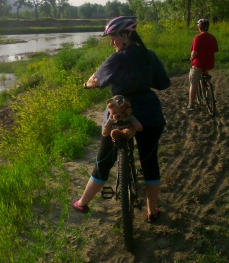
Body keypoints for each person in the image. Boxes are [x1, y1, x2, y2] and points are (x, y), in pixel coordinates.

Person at [73, 16, 171, 223]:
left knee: (103, 161)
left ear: (125, 36)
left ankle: (82, 203)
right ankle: (152, 211)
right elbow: (162, 83)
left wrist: (86, 85)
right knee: (149, 162)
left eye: (113, 38)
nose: (111, 42)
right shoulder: (150, 55)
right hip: (150, 115)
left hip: (118, 117)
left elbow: (95, 81)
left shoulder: (115, 59)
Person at [185, 18, 219, 110]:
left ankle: (191, 104)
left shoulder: (197, 38)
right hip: (209, 63)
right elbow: (215, 50)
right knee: (205, 74)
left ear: (199, 28)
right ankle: (208, 89)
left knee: (193, 83)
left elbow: (194, 52)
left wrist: (191, 58)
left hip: (198, 63)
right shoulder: (212, 37)